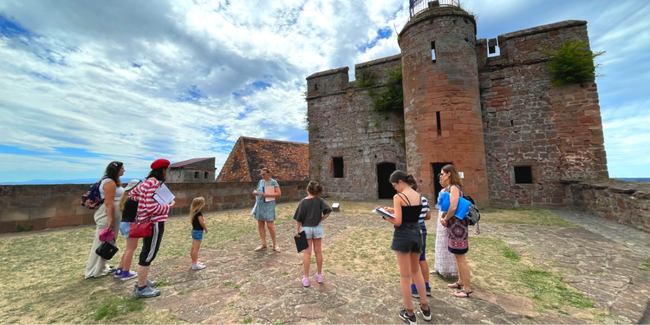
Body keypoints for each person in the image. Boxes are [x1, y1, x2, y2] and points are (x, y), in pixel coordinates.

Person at [379, 170, 431, 324]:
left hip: (403, 236)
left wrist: (384, 215)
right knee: (416, 271)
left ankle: (409, 313)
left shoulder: (398, 197)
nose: (395, 188)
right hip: (417, 233)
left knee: (404, 275)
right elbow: (410, 214)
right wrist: (393, 211)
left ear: (400, 182)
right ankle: (425, 308)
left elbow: (398, 222)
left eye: (395, 185)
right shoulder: (419, 196)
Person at [129, 159, 175, 298]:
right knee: (149, 254)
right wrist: (169, 206)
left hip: (145, 222)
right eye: (167, 169)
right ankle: (142, 288)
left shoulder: (146, 183)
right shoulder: (155, 184)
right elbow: (151, 207)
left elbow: (132, 195)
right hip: (154, 222)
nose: (167, 172)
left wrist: (142, 201)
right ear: (162, 170)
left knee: (146, 251)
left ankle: (141, 280)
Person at [84, 161, 125, 279]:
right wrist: (111, 219)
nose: (124, 170)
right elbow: (109, 203)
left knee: (108, 241)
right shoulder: (110, 183)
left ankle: (102, 267)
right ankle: (94, 270)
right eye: (122, 168)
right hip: (108, 214)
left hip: (112, 213)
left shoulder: (109, 181)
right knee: (101, 241)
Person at [439, 164, 472, 298]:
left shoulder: (454, 188)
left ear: (448, 174)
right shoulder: (448, 189)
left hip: (458, 227)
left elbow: (453, 207)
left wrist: (445, 218)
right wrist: (443, 217)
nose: (440, 176)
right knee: (457, 256)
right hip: (453, 226)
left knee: (461, 257)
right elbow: (447, 207)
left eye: (442, 173)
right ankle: (460, 281)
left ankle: (467, 288)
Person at [293, 181, 332, 287]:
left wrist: (297, 230)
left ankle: (306, 278)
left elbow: (299, 218)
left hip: (306, 228)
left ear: (307, 190)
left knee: (307, 253)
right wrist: (321, 219)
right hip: (317, 227)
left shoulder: (303, 202)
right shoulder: (320, 200)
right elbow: (328, 210)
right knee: (318, 251)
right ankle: (319, 276)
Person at [114, 179, 142, 281]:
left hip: (125, 223)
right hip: (131, 224)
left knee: (129, 248)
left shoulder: (126, 198)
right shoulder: (134, 200)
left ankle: (120, 269)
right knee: (131, 248)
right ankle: (126, 272)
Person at [432, 176, 458, 278]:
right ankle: (440, 267)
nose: (440, 181)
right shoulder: (443, 190)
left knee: (448, 243)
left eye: (442, 178)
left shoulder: (453, 189)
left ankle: (451, 270)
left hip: (447, 217)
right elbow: (440, 205)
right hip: (441, 215)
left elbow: (452, 205)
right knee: (441, 242)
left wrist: (445, 218)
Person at [252, 168, 282, 252]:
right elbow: (257, 190)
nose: (262, 176)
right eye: (261, 174)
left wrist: (268, 194)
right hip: (260, 204)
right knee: (260, 224)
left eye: (264, 174)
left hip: (269, 204)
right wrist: (255, 192)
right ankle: (263, 243)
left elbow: (279, 193)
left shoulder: (273, 182)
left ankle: (275, 244)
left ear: (269, 174)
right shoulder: (261, 182)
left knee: (270, 225)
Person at [410, 182, 432, 298]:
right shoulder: (423, 199)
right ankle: (426, 286)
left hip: (412, 230)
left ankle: (415, 287)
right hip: (422, 228)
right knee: (422, 258)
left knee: (413, 260)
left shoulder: (408, 199)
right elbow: (428, 216)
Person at [189, 197, 208, 270]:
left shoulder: (194, 212)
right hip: (198, 232)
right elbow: (201, 222)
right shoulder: (199, 213)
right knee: (196, 249)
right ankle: (195, 263)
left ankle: (194, 261)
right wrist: (205, 228)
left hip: (194, 231)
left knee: (193, 248)